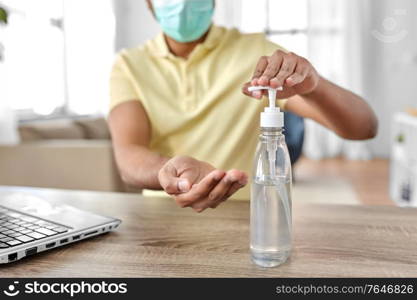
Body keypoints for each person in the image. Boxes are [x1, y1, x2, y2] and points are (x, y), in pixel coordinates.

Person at [108, 0, 377, 212]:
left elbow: (364, 127)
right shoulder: (129, 65)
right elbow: (128, 156)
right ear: (148, 3)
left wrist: (316, 87)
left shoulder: (256, 54)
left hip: (246, 220)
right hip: (158, 222)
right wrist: (169, 172)